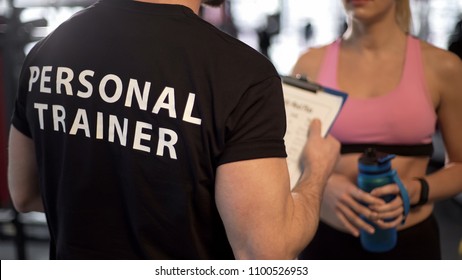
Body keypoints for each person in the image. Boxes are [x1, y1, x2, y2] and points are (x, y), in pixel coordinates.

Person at [7, 0, 340, 260]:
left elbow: (24, 193)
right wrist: (317, 172)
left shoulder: (47, 52)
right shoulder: (241, 73)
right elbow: (265, 253)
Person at [292, 0, 462, 259]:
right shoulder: (309, 64)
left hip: (411, 245)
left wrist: (415, 191)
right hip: (324, 241)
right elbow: (286, 156)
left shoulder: (444, 67)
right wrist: (322, 185)